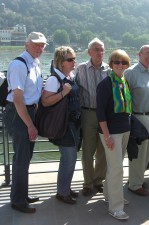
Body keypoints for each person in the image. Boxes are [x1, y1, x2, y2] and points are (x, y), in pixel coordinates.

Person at [3, 32, 47, 213]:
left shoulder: (34, 64)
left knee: (25, 157)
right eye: (36, 44)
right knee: (21, 158)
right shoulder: (19, 65)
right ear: (26, 44)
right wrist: (30, 125)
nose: (39, 48)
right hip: (18, 113)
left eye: (42, 45)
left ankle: (22, 194)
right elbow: (18, 99)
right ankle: (18, 201)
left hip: (29, 111)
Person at [41, 46, 81, 204]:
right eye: (70, 59)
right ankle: (62, 192)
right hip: (64, 125)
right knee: (68, 157)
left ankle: (65, 187)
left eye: (74, 59)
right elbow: (45, 101)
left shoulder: (70, 76)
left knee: (70, 158)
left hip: (74, 124)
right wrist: (63, 92)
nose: (74, 62)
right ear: (60, 62)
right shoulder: (53, 79)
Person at [96, 49, 131, 220]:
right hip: (111, 133)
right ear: (111, 64)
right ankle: (116, 207)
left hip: (125, 129)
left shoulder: (124, 82)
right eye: (117, 62)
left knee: (114, 166)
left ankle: (110, 194)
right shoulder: (104, 84)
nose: (120, 65)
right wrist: (107, 136)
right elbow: (100, 113)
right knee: (117, 168)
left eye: (123, 62)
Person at [124, 45, 149, 196]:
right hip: (140, 117)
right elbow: (124, 96)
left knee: (147, 152)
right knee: (138, 153)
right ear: (139, 55)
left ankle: (137, 178)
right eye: (146, 54)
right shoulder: (131, 72)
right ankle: (134, 184)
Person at [75, 38, 108, 196]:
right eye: (96, 49)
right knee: (88, 151)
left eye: (101, 49)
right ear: (89, 52)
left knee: (103, 151)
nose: (99, 52)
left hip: (106, 115)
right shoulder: (80, 69)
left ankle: (98, 180)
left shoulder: (109, 70)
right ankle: (87, 183)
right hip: (87, 113)